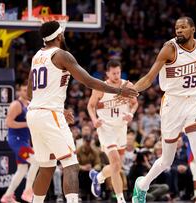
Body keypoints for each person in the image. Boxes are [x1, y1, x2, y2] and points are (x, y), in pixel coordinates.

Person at [26, 21, 137, 203]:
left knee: (46, 167)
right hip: (49, 114)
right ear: (60, 36)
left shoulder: (37, 56)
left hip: (35, 114)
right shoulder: (61, 55)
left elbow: (31, 92)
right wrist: (119, 90)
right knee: (70, 164)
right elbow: (88, 81)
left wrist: (59, 109)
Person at [131, 16, 196, 203]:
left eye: (183, 27)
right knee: (166, 160)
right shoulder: (169, 49)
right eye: (177, 28)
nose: (178, 30)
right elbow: (149, 78)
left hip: (194, 102)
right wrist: (131, 90)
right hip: (172, 104)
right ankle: (143, 184)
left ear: (193, 29)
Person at [87, 60, 138, 203]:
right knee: (115, 162)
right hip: (106, 128)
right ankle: (121, 200)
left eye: (118, 72)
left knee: (117, 166)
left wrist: (131, 114)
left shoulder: (127, 85)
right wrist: (94, 120)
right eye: (113, 73)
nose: (116, 75)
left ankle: (98, 177)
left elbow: (135, 103)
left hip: (121, 128)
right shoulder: (100, 87)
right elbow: (90, 106)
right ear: (107, 73)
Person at [1, 83, 39, 203]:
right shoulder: (16, 104)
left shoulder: (29, 104)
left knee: (22, 169)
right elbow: (9, 123)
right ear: (19, 91)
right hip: (16, 140)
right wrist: (27, 124)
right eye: (24, 89)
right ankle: (28, 191)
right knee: (36, 161)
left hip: (24, 140)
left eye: (28, 89)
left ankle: (7, 196)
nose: (26, 91)